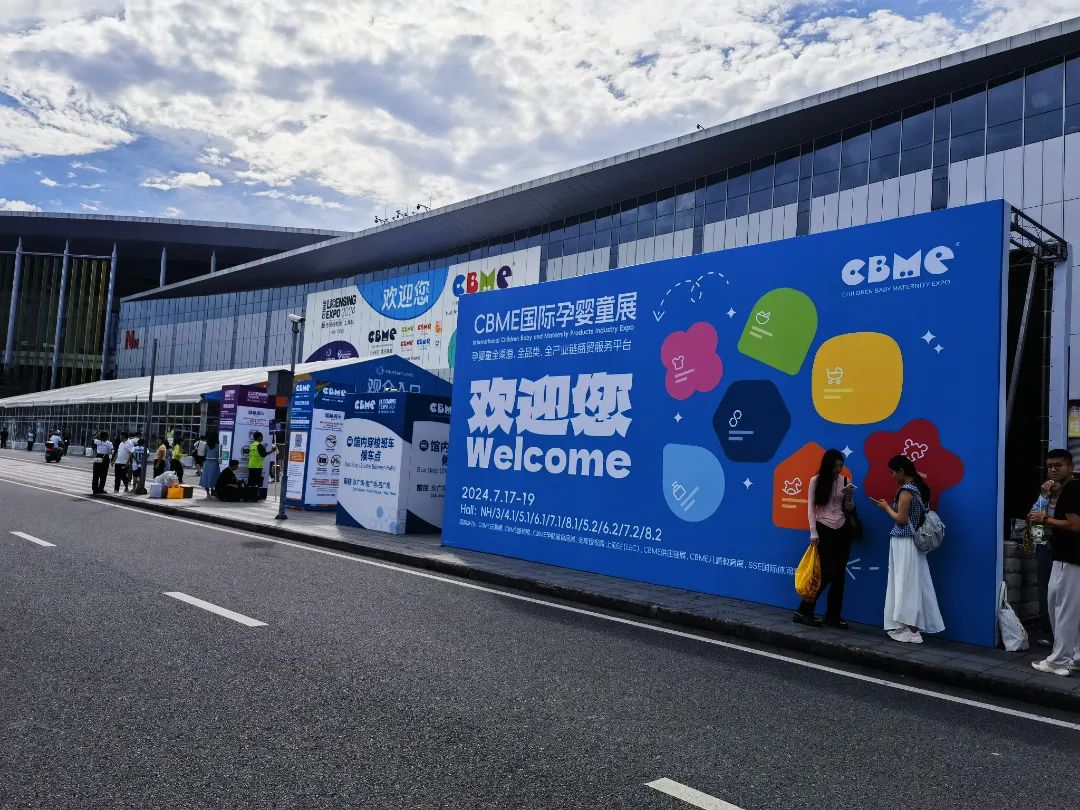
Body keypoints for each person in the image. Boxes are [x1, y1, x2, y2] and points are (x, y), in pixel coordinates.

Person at [871, 455, 944, 644]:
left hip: (904, 541)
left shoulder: (905, 491)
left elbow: (902, 519)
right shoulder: (919, 488)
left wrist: (886, 508)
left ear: (902, 471)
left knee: (905, 583)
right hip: (914, 543)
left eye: (892, 472)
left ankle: (911, 629)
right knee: (913, 583)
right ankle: (911, 627)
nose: (892, 476)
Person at [1028, 448, 1080, 676]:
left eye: (1059, 466)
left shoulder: (1072, 490)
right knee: (1069, 607)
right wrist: (1044, 499)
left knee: (1060, 607)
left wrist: (1046, 519)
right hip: (1063, 553)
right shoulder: (1062, 490)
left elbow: (1075, 524)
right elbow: (1033, 520)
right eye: (1050, 466)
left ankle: (1059, 660)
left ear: (1070, 467)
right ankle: (1075, 656)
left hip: (1067, 556)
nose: (1053, 470)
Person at [794, 448, 855, 629]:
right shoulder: (816, 480)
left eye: (841, 466)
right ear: (828, 465)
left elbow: (849, 508)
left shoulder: (846, 481)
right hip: (823, 529)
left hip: (842, 530)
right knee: (824, 573)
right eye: (836, 466)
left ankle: (832, 616)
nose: (839, 469)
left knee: (839, 575)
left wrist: (849, 497)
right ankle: (806, 611)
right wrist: (813, 532)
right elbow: (811, 508)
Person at [91, 430, 114, 495]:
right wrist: (110, 459)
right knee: (103, 474)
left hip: (98, 457)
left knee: (96, 474)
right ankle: (100, 488)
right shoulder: (109, 443)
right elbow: (111, 452)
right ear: (107, 436)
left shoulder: (98, 441)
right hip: (104, 457)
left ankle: (95, 489)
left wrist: (99, 434)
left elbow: (93, 438)